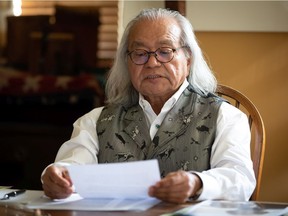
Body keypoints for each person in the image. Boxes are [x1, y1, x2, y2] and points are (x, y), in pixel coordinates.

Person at [41, 8, 256, 204]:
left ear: (188, 59)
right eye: (140, 53)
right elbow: (71, 167)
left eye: (165, 51)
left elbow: (240, 179)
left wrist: (197, 182)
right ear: (128, 62)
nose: (152, 62)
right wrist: (56, 176)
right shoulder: (95, 121)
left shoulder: (225, 117)